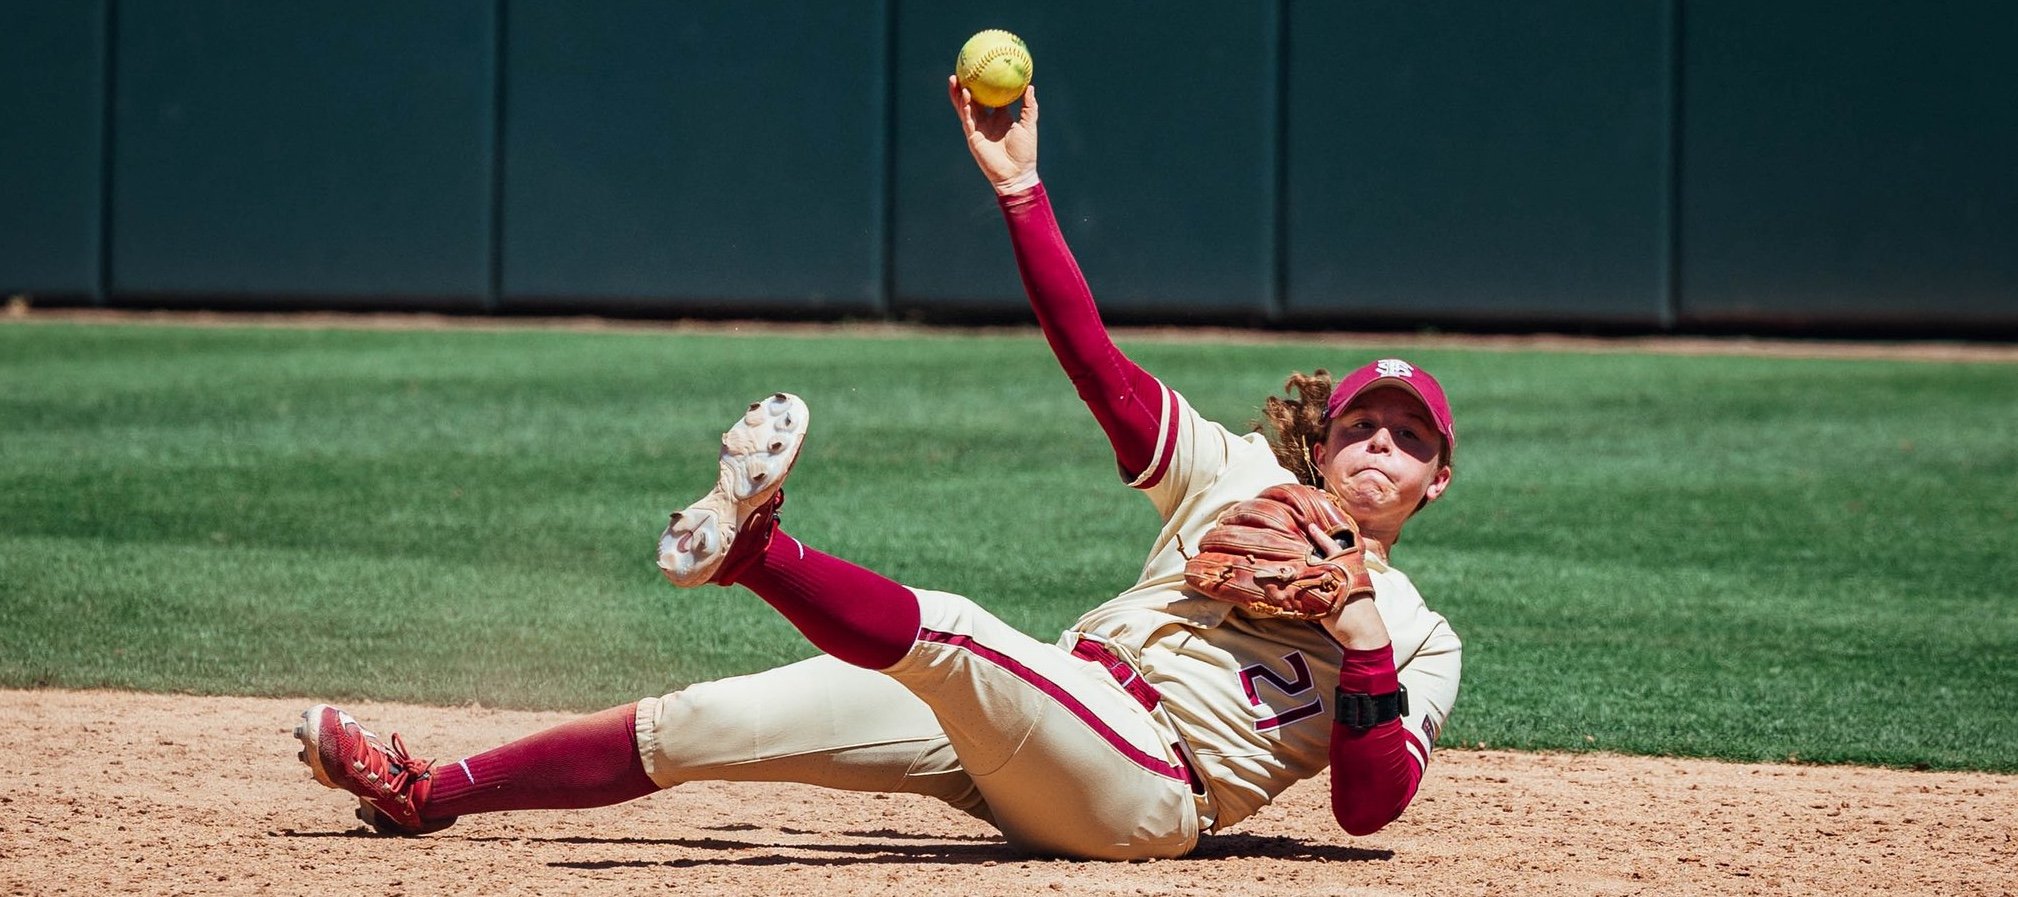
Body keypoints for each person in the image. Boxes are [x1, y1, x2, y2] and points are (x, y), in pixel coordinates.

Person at [293, 78, 1462, 861]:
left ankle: (757, 553)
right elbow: (1097, 364)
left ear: (1434, 483)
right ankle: (425, 792)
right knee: (698, 722)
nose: (1379, 447)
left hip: (1147, 791)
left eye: (1409, 440)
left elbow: (1366, 811)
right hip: (1046, 711)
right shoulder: (1236, 475)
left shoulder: (1419, 635)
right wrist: (1019, 190)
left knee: (948, 628)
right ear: (1324, 438)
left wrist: (1361, 647)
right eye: (1364, 424)